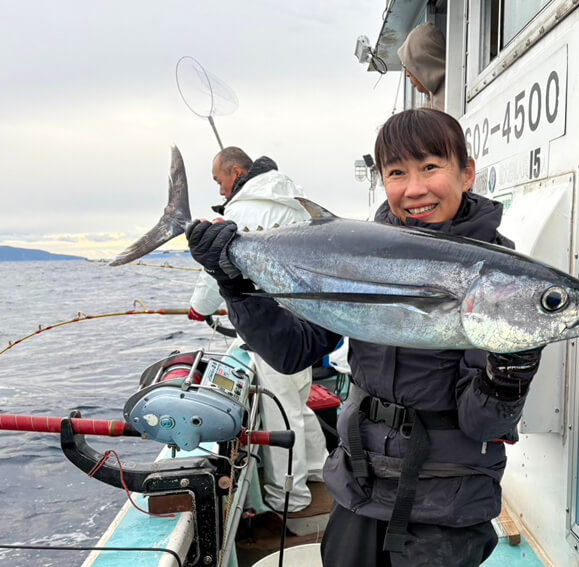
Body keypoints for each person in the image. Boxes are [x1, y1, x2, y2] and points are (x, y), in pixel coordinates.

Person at [185, 110, 543, 566]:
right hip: (358, 485)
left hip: (445, 506)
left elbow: (483, 425)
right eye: (397, 173)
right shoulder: (356, 250)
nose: (414, 189)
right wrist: (236, 288)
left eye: (431, 167)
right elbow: (292, 351)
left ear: (466, 172)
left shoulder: (503, 280)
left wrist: (508, 376)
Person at [187, 146, 328, 513]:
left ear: (236, 173)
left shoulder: (239, 212)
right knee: (300, 404)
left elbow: (214, 272)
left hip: (270, 329)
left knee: (282, 413)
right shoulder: (293, 200)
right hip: (306, 322)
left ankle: (291, 498)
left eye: (220, 181)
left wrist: (197, 309)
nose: (220, 191)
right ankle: (319, 470)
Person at [398, 22, 446, 110]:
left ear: (425, 64)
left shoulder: (451, 97)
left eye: (410, 66)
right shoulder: (430, 103)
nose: (407, 74)